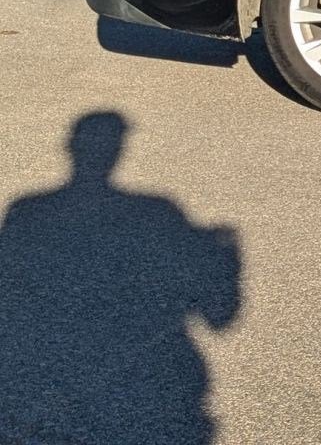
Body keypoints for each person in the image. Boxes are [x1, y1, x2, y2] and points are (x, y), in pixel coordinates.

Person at [0, 111, 241, 444]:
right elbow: (219, 315)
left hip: (47, 381)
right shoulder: (157, 213)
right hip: (149, 380)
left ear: (70, 147)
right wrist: (227, 259)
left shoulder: (27, 211)